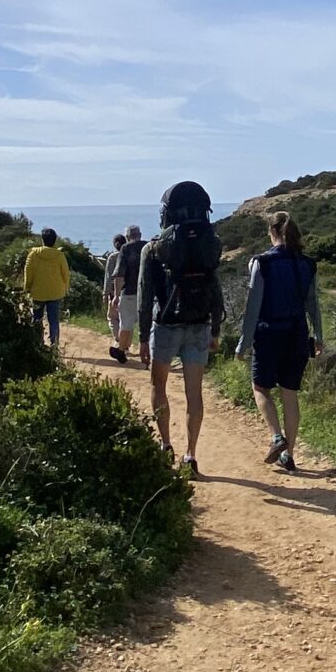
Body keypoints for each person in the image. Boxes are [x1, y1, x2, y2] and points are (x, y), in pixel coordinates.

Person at [136, 183, 223, 472]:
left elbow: (145, 297)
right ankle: (191, 455)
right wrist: (216, 330)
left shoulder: (153, 248)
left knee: (158, 385)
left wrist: (142, 338)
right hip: (199, 324)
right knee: (194, 394)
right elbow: (215, 288)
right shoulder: (210, 243)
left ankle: (165, 444)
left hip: (166, 326)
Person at [236, 210, 323, 472]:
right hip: (298, 333)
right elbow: (313, 304)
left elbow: (253, 307)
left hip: (269, 332)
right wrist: (319, 336)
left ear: (272, 231)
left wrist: (243, 343)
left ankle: (276, 437)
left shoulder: (261, 263)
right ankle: (289, 455)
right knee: (290, 393)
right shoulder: (307, 264)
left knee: (260, 387)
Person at [21, 225, 72, 351]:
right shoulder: (59, 255)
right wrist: (66, 287)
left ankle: (38, 344)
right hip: (56, 292)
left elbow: (28, 273)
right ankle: (54, 346)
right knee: (53, 320)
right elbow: (65, 273)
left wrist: (27, 288)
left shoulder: (33, 254)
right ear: (55, 240)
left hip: (38, 292)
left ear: (42, 239)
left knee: (37, 319)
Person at [107, 222, 144, 365]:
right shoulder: (148, 246)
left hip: (129, 293)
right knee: (147, 325)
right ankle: (148, 353)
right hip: (147, 293)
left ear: (127, 237)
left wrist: (116, 296)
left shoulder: (126, 249)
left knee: (126, 324)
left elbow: (119, 275)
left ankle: (122, 350)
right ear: (140, 235)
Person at [103, 233, 127, 349]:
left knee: (112, 317)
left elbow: (108, 277)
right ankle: (125, 342)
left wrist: (105, 293)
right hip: (128, 291)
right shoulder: (129, 256)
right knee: (125, 318)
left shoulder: (112, 258)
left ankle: (118, 339)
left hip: (114, 292)